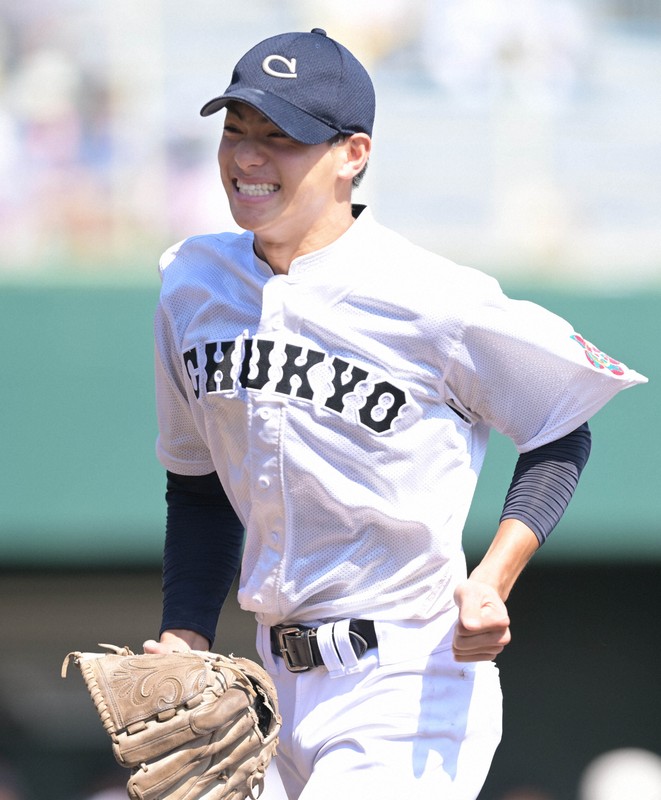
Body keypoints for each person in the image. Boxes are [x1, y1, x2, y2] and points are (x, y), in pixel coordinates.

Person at [143, 28, 647, 800]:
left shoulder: (432, 297)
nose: (247, 157)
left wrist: (493, 578)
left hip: (406, 679)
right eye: (236, 131)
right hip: (267, 685)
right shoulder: (191, 283)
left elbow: (559, 428)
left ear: (352, 153)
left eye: (280, 138)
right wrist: (186, 632)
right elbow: (199, 483)